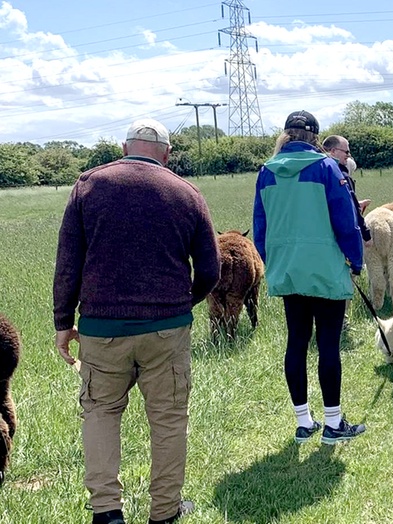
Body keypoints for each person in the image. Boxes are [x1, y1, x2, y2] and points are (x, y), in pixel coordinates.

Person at [53, 118, 220, 524]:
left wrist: (63, 322)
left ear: (125, 148)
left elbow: (68, 262)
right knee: (168, 419)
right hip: (167, 328)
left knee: (100, 412)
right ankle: (164, 511)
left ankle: (107, 511)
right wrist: (184, 303)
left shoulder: (88, 185)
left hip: (101, 328)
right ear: (167, 154)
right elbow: (210, 270)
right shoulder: (186, 193)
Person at [253, 110, 366, 446]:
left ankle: (304, 423)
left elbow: (260, 226)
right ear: (316, 137)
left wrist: (273, 261)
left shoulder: (266, 171)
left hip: (287, 270)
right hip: (325, 268)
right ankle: (333, 423)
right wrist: (355, 260)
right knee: (328, 344)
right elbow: (346, 221)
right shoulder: (326, 167)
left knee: (297, 342)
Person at [322, 135, 372, 247]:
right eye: (346, 152)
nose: (349, 155)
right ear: (333, 151)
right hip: (338, 237)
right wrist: (366, 235)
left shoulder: (317, 172)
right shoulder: (341, 176)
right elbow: (351, 207)